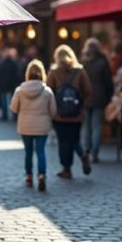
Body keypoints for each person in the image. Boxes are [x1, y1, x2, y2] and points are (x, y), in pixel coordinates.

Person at [10, 59, 56, 192]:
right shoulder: (47, 91)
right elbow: (53, 111)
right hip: (42, 126)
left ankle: (29, 176)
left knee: (28, 152)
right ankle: (41, 175)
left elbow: (13, 108)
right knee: (41, 151)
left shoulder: (20, 90)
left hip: (25, 126)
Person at [47, 44, 92, 179]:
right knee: (74, 140)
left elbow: (48, 91)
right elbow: (88, 90)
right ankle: (82, 155)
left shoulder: (53, 72)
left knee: (63, 141)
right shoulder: (80, 71)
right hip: (76, 114)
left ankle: (66, 169)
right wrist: (79, 102)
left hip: (59, 114)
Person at [80, 38, 114, 164]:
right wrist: (108, 97)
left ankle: (86, 150)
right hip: (100, 98)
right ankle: (94, 154)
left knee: (86, 126)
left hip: (85, 98)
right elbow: (109, 82)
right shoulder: (103, 62)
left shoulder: (83, 62)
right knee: (97, 126)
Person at [0, 48, 21, 122]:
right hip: (12, 85)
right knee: (12, 99)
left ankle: (5, 115)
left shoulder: (2, 64)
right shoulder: (14, 63)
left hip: (3, 85)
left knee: (4, 101)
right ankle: (14, 115)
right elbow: (17, 75)